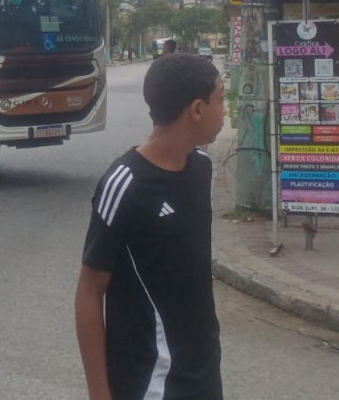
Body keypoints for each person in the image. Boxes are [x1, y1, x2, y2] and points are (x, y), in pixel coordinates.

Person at [75, 54, 226, 400]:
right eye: (221, 99)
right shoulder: (125, 184)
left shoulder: (201, 168)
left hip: (203, 373)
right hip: (150, 383)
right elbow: (89, 292)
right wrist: (100, 393)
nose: (225, 110)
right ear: (197, 110)